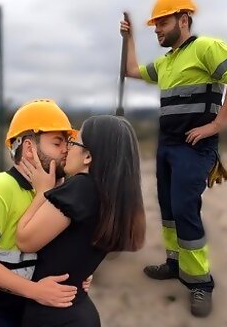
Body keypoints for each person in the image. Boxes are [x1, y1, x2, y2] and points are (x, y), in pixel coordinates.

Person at [120, 0, 227, 317]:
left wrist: (216, 125)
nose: (158, 30)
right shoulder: (166, 62)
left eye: (162, 23)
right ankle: (175, 264)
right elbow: (131, 71)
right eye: (154, 26)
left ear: (184, 19)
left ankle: (200, 283)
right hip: (168, 146)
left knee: (184, 209)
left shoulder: (207, 48)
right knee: (168, 210)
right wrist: (130, 38)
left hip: (195, 148)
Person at [0, 99, 92, 327]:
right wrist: (35, 291)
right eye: (57, 143)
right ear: (30, 148)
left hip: (31, 307)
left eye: (68, 143)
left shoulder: (60, 191)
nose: (66, 150)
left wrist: (79, 272)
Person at [15, 115, 146, 327]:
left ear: (88, 157)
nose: (67, 149)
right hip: (78, 309)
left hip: (52, 314)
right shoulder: (112, 196)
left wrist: (43, 192)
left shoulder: (79, 189)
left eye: (74, 142)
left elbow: (25, 240)